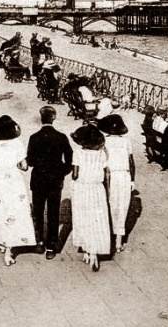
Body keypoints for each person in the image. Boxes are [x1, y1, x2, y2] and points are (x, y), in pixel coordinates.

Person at [0, 115, 36, 266]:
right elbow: (24, 166)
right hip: (14, 180)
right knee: (14, 211)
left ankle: (0, 241)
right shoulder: (17, 144)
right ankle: (10, 248)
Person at [25, 106, 73, 260]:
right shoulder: (61, 137)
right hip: (55, 180)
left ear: (41, 118)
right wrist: (63, 171)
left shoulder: (34, 137)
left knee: (38, 212)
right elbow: (70, 158)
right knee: (54, 212)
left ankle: (39, 242)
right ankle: (51, 246)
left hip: (38, 179)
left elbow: (30, 161)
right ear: (54, 118)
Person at [70, 124, 110, 272]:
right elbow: (106, 173)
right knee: (97, 219)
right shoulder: (101, 154)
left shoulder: (78, 153)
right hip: (97, 188)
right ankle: (95, 251)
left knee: (83, 218)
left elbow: (75, 174)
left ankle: (87, 249)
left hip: (82, 188)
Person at [98, 114, 135, 253]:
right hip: (124, 175)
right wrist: (132, 180)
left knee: (110, 205)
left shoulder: (104, 142)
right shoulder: (126, 142)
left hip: (110, 175)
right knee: (123, 206)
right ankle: (119, 241)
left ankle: (110, 238)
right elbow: (132, 163)